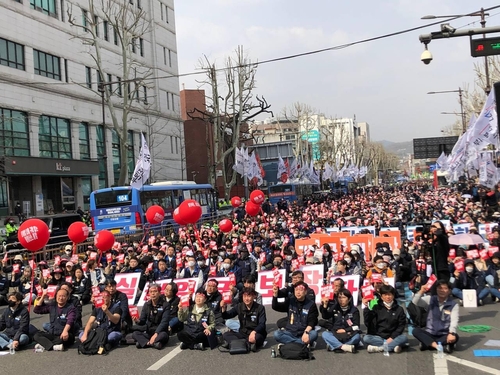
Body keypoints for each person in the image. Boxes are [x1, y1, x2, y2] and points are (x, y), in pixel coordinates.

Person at [412, 280, 459, 354]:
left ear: (449, 291)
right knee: (415, 331)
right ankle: (438, 346)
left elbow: (454, 321)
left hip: (444, 334)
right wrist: (421, 291)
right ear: (436, 289)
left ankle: (427, 344)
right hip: (430, 333)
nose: (442, 290)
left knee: (455, 337)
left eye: (445, 288)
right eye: (440, 288)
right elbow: (415, 301)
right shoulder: (430, 299)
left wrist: (451, 333)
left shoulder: (453, 304)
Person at [362, 285, 408, 353]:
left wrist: (392, 337)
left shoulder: (399, 309)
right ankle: (393, 347)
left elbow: (401, 326)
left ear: (393, 295)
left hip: (393, 337)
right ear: (381, 296)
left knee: (404, 338)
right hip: (379, 337)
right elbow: (368, 323)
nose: (387, 297)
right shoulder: (376, 308)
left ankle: (379, 348)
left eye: (389, 294)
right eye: (385, 295)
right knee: (366, 338)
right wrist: (366, 307)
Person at [272, 281, 319, 347]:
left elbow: (312, 321)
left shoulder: (311, 304)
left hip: (304, 332)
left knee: (314, 334)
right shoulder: (290, 301)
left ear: (305, 292)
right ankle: (302, 343)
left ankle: (290, 343)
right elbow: (276, 307)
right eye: (296, 290)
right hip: (290, 332)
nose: (298, 292)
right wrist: (275, 295)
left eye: (300, 290)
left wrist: (306, 332)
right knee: (276, 334)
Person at [220, 287, 267, 352]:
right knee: (225, 334)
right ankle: (247, 344)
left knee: (257, 338)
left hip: (256, 333)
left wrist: (254, 332)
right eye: (244, 296)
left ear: (254, 296)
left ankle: (235, 344)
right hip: (243, 333)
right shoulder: (239, 306)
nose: (246, 298)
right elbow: (227, 315)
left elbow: (262, 324)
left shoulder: (260, 308)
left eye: (249, 296)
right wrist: (223, 308)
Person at [128, 284, 170, 349]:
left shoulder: (165, 305)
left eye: (155, 291)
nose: (153, 294)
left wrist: (156, 333)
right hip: (149, 332)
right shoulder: (146, 305)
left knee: (163, 336)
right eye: (151, 292)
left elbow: (164, 322)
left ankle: (144, 343)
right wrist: (137, 320)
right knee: (135, 333)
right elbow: (142, 320)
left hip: (160, 331)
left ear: (159, 293)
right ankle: (152, 343)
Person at [320, 288, 361, 353]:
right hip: (336, 333)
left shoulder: (354, 310)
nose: (341, 300)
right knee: (325, 334)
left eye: (344, 297)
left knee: (357, 337)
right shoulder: (334, 307)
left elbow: (357, 326)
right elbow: (325, 316)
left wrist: (345, 330)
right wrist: (324, 306)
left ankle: (334, 345)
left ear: (349, 299)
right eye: (339, 297)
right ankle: (344, 347)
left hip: (349, 334)